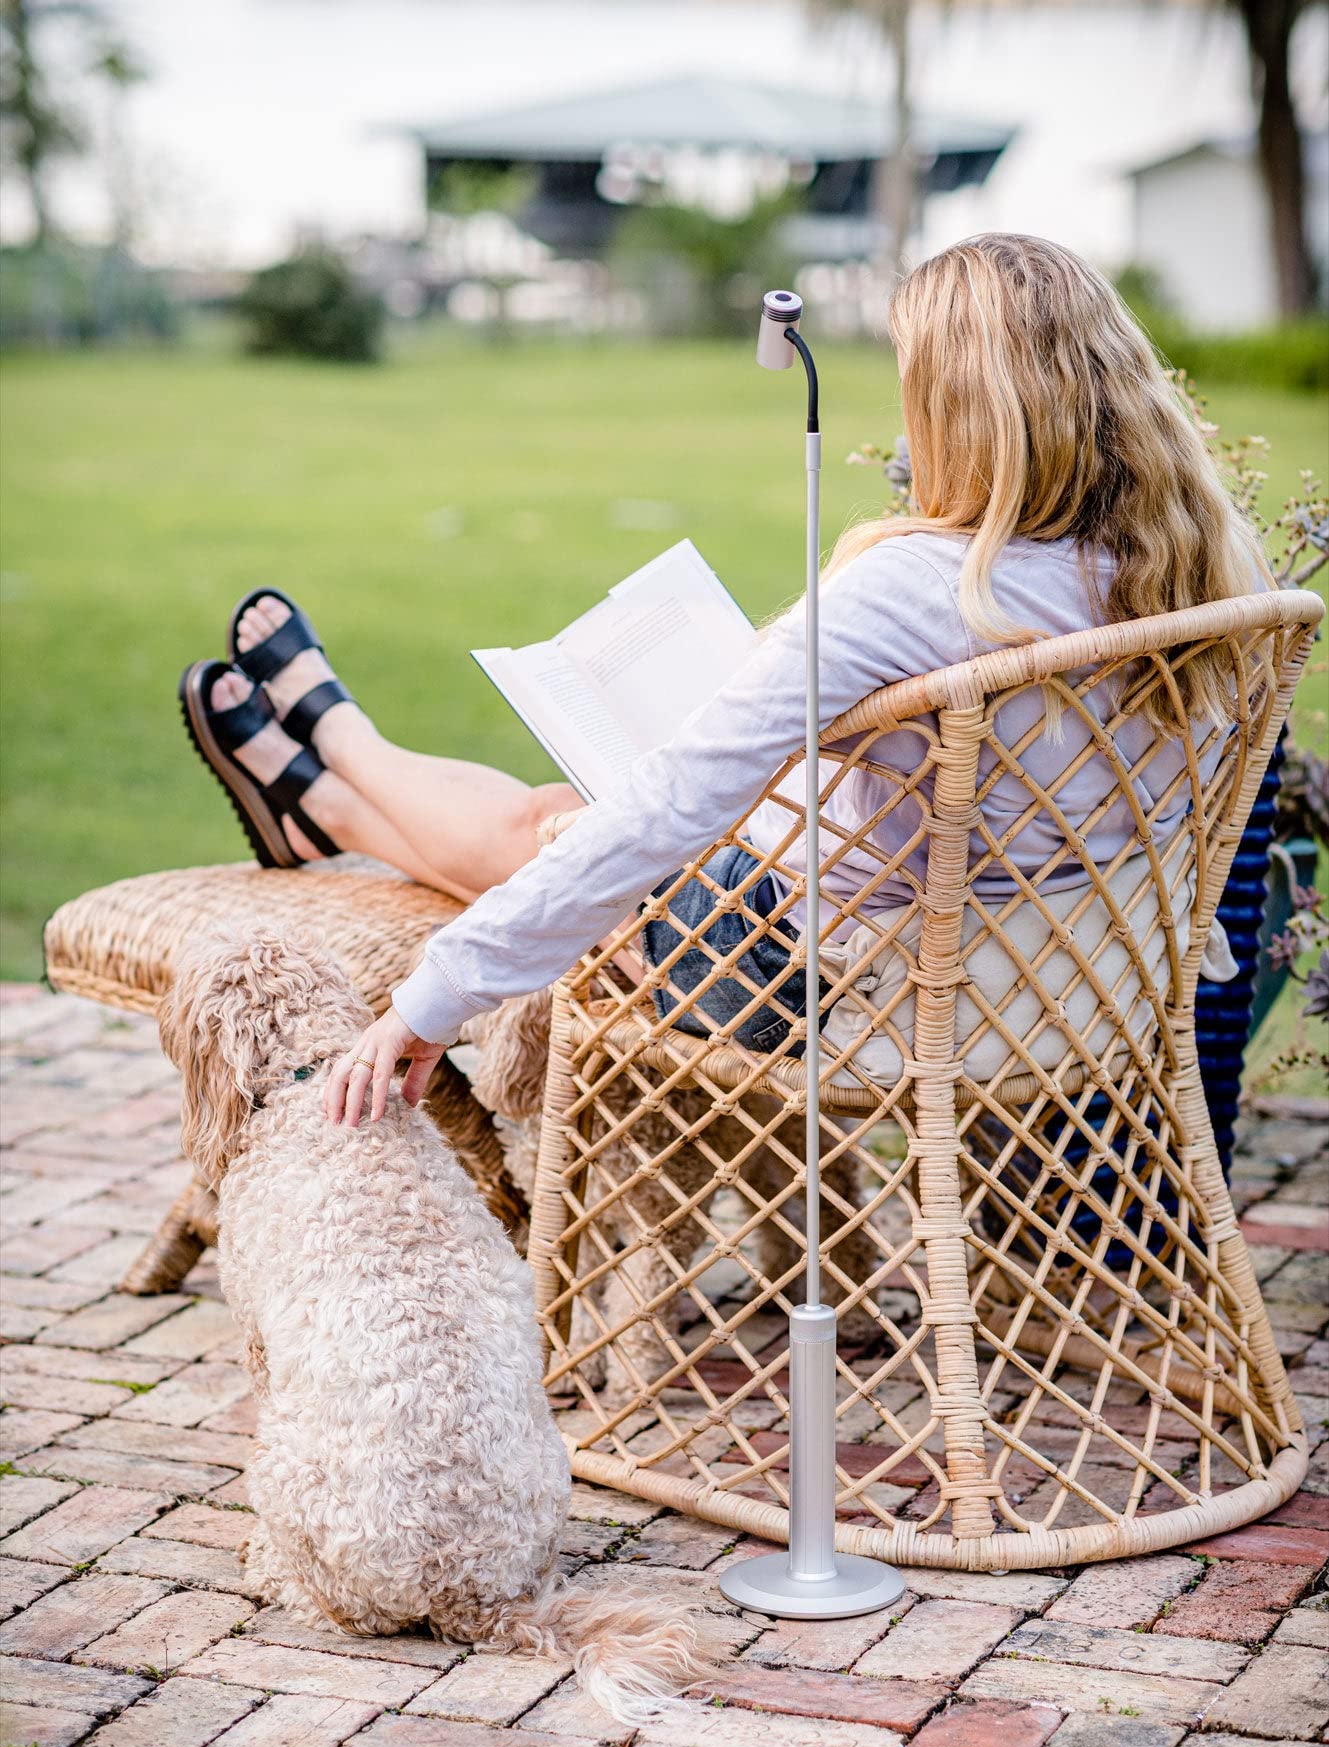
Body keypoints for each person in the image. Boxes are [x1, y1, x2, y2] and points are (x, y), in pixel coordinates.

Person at [178, 234, 1266, 1132]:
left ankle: (332, 756)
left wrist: (428, 1004)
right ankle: (317, 786)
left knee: (567, 825)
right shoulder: (1211, 574)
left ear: (959, 409)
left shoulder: (920, 589)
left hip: (848, 995)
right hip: (1079, 989)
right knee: (594, 818)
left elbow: (667, 810)